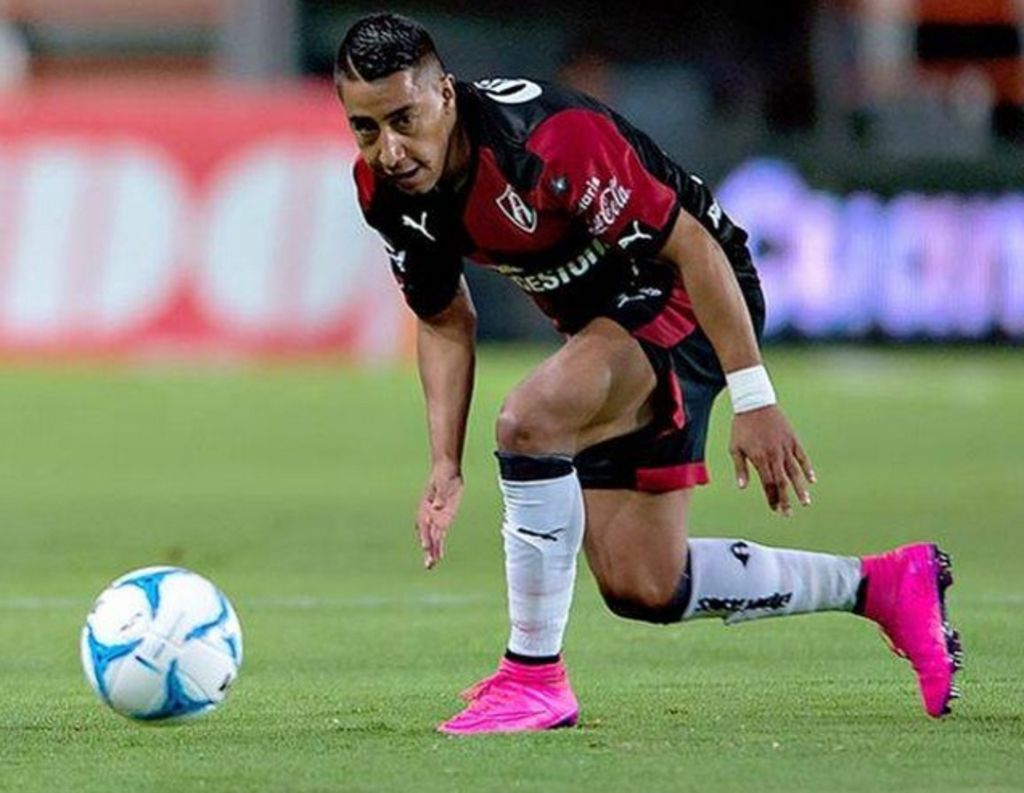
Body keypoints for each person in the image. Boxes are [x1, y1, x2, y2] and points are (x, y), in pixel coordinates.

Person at [334, 13, 962, 735]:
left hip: (693, 292)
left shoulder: (548, 139)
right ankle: (885, 585)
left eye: (404, 119)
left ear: (444, 93)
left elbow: (695, 248)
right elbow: (445, 318)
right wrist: (444, 462)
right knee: (644, 583)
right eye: (366, 128)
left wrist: (754, 396)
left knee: (530, 420)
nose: (390, 149)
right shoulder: (384, 190)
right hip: (608, 326)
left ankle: (532, 678)